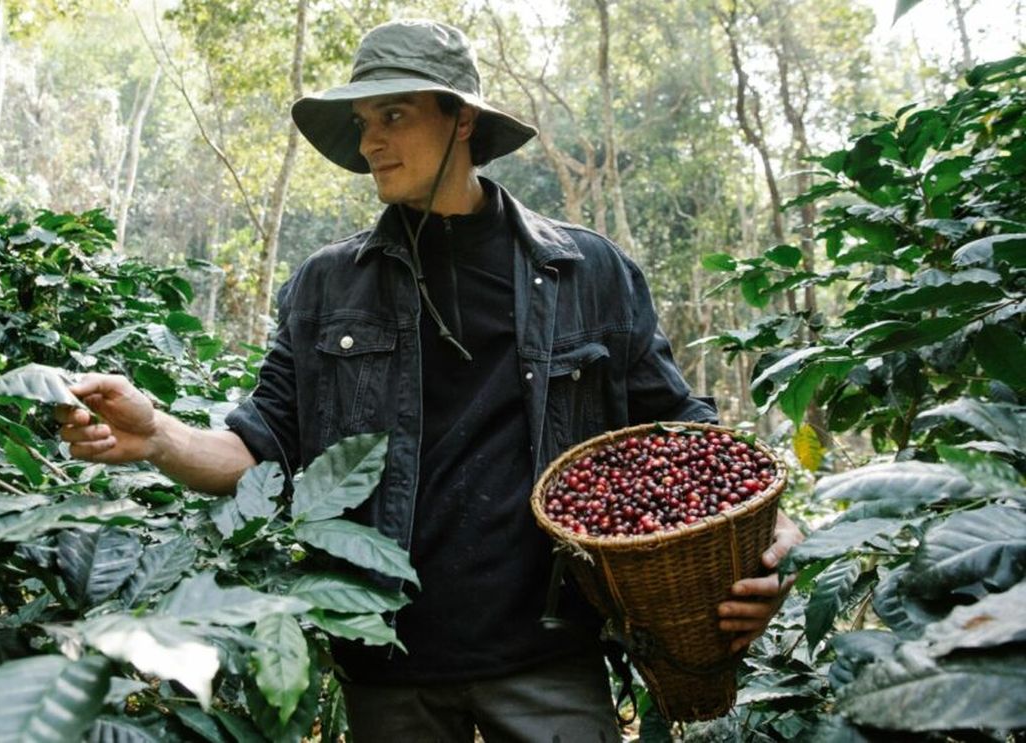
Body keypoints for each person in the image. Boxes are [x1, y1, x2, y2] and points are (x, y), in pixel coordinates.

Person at [56, 18, 803, 742]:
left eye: (394, 113)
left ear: (462, 119)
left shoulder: (588, 272)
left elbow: (688, 437)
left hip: (549, 656)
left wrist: (773, 544)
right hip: (389, 665)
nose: (371, 139)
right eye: (362, 120)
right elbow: (260, 447)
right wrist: (156, 435)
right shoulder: (326, 286)